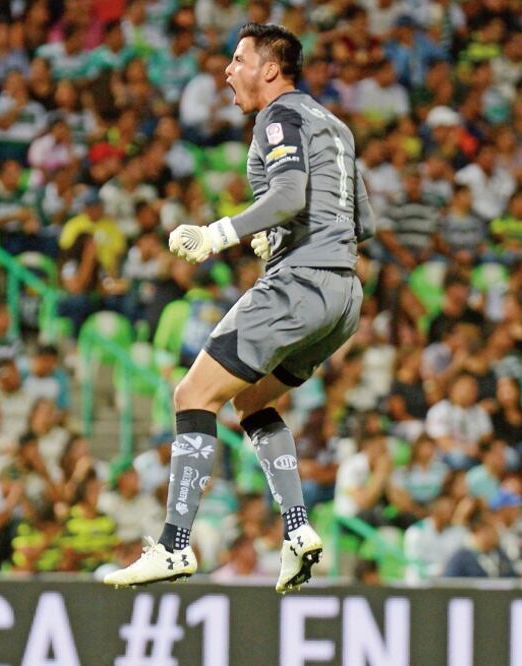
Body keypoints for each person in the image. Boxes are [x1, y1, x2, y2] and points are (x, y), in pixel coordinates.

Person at [105, 24, 375, 593]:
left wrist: (217, 233)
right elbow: (363, 224)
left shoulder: (277, 116)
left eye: (237, 59)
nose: (228, 71)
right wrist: (276, 237)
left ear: (270, 70)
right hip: (344, 297)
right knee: (250, 402)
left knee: (192, 395)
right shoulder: (338, 126)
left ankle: (176, 546)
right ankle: (298, 529)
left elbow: (289, 196)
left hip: (298, 286)